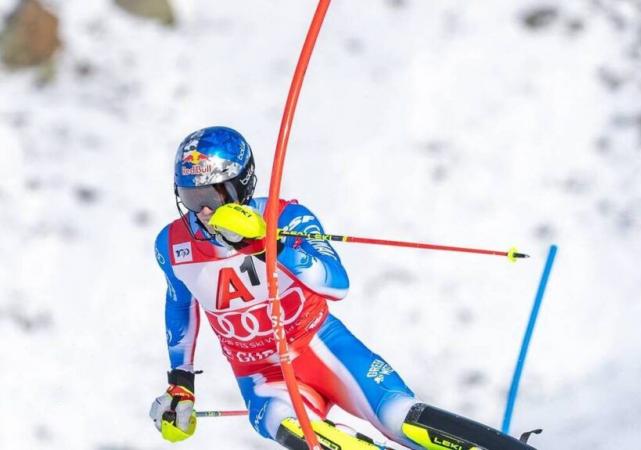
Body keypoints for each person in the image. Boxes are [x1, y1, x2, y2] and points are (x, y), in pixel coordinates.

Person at [149, 126, 536, 450]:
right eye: (190, 197)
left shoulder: (286, 216)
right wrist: (181, 384)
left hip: (323, 348)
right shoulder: (172, 245)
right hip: (261, 375)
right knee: (298, 432)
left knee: (398, 417)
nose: (202, 212)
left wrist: (270, 243)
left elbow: (334, 283)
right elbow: (180, 305)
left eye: (213, 196)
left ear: (241, 185)